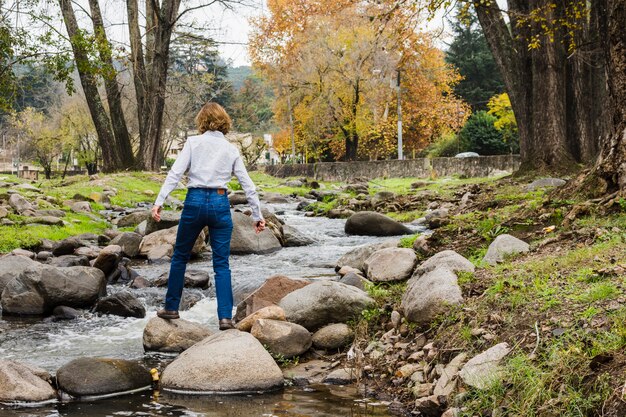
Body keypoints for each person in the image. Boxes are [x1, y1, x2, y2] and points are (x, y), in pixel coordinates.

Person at [151, 102, 265, 330]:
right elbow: (247, 185)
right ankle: (224, 318)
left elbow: (175, 173)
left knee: (180, 257)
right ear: (224, 121)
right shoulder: (231, 149)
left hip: (194, 202)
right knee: (221, 264)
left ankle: (171, 308)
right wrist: (257, 215)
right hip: (219, 203)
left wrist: (159, 201)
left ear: (202, 121)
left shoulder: (193, 143)